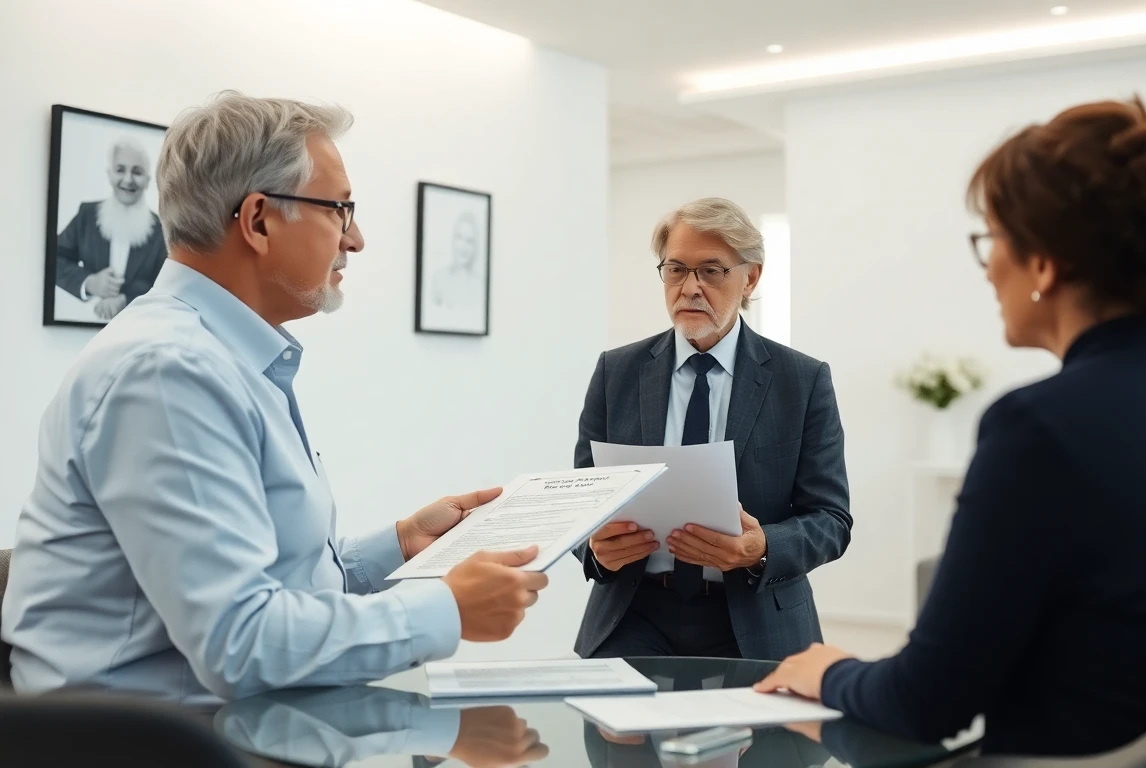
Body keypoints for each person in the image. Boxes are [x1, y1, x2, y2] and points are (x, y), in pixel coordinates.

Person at [755, 98, 1146, 757]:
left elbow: (927, 702)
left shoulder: (1040, 428)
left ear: (1043, 264)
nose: (988, 266)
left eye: (994, 239)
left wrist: (827, 670)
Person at [1, 92, 548, 702]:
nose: (357, 239)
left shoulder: (220, 358)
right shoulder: (168, 371)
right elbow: (240, 641)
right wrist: (445, 607)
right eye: (340, 210)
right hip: (155, 746)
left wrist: (397, 546)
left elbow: (266, 583)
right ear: (258, 220)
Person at [573, 197, 851, 661]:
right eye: (676, 269)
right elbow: (580, 504)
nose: (690, 288)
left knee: (772, 738)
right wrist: (597, 550)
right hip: (635, 610)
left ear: (751, 277)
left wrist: (761, 547)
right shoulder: (616, 372)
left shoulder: (801, 381)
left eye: (712, 270)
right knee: (606, 732)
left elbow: (831, 521)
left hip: (756, 612)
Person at [54, 138, 169, 320]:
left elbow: (166, 285)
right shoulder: (87, 215)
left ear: (147, 181)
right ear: (109, 174)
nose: (128, 179)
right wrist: (90, 282)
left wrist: (126, 299)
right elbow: (54, 258)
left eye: (137, 172)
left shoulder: (161, 230)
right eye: (120, 170)